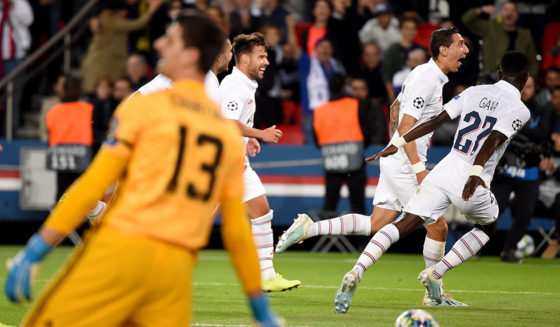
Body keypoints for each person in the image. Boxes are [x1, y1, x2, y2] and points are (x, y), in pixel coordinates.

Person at [4, 12, 281, 327]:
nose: (160, 43)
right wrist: (259, 306)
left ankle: (99, 214)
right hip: (173, 278)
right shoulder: (221, 130)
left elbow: (92, 182)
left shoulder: (149, 108)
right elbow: (234, 229)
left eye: (171, 39)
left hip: (122, 252)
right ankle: (100, 214)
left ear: (191, 55)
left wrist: (36, 248)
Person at [276, 27, 469, 309]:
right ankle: (431, 292)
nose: (465, 50)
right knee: (438, 227)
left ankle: (309, 228)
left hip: (397, 160)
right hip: (405, 163)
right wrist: (418, 168)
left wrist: (399, 126)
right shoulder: (427, 78)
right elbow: (405, 126)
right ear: (443, 50)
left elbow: (396, 110)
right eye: (460, 45)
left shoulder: (425, 75)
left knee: (377, 223)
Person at [359, 50, 530, 306]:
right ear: (525, 78)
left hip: (444, 169)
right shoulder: (520, 109)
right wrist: (475, 172)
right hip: (473, 180)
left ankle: (357, 271)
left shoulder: (473, 91)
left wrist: (400, 140)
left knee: (406, 222)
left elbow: (436, 120)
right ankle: (435, 273)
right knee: (487, 226)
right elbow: (494, 138)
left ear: (499, 73)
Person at [219, 32, 301, 292]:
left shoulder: (244, 85)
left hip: (236, 163)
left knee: (262, 212)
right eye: (262, 56)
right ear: (244, 59)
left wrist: (247, 140)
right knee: (189, 225)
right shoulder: (235, 85)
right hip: (219, 166)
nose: (266, 62)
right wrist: (260, 134)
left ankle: (266, 274)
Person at [491, 75, 554, 263]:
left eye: (530, 87)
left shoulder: (544, 109)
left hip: (530, 172)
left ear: (535, 89)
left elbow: (543, 134)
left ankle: (508, 249)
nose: (525, 90)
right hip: (505, 170)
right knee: (493, 209)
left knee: (526, 212)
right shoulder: (506, 105)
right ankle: (475, 245)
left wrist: (517, 132)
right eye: (522, 86)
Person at [313, 73, 372, 217]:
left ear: (329, 88)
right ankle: (361, 240)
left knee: (329, 205)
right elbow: (368, 133)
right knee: (358, 206)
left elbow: (317, 139)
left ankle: (326, 238)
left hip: (332, 162)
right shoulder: (356, 105)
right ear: (344, 87)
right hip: (355, 163)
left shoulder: (319, 111)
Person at [80, 0, 164, 94]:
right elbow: (138, 24)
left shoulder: (103, 18)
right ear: (119, 11)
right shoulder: (113, 21)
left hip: (97, 62)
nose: (125, 14)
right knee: (102, 92)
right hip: (102, 65)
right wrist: (152, 9)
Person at [45, 74, 95, 201]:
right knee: (82, 193)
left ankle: (60, 219)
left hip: (61, 158)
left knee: (62, 193)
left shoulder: (53, 111)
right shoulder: (88, 109)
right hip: (83, 157)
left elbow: (50, 133)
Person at [461, 1, 538, 79]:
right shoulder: (490, 27)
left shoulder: (525, 34)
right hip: (492, 76)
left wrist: (531, 77)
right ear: (500, 13)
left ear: (518, 15)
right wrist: (481, 9)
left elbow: (532, 60)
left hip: (517, 77)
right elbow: (466, 20)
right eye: (506, 10)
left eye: (513, 10)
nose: (509, 14)